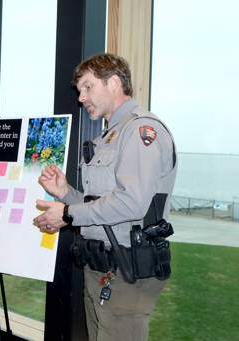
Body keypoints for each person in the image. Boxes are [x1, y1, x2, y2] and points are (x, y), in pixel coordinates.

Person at [33, 53, 177, 341]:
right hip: (100, 266)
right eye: (80, 90)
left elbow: (131, 203)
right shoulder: (109, 137)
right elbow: (100, 203)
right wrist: (66, 194)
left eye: (88, 87)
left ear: (113, 83)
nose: (81, 98)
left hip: (126, 270)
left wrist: (68, 213)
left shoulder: (139, 131)